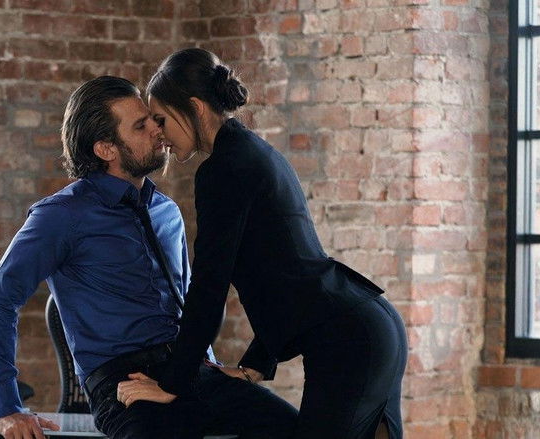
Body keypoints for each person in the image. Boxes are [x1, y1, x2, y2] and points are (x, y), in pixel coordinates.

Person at [0, 75, 298, 439]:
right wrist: (7, 407)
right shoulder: (61, 216)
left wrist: (206, 362)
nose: (158, 130)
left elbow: (193, 301)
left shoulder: (167, 211)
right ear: (106, 149)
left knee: (295, 429)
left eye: (153, 120)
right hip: (122, 382)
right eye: (141, 126)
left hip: (191, 370)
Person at [117, 48, 408, 438]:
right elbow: (286, 266)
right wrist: (255, 364)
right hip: (373, 327)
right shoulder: (253, 151)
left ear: (195, 108)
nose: (160, 134)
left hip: (349, 342)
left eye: (161, 119)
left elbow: (209, 286)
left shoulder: (222, 169)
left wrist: (172, 383)